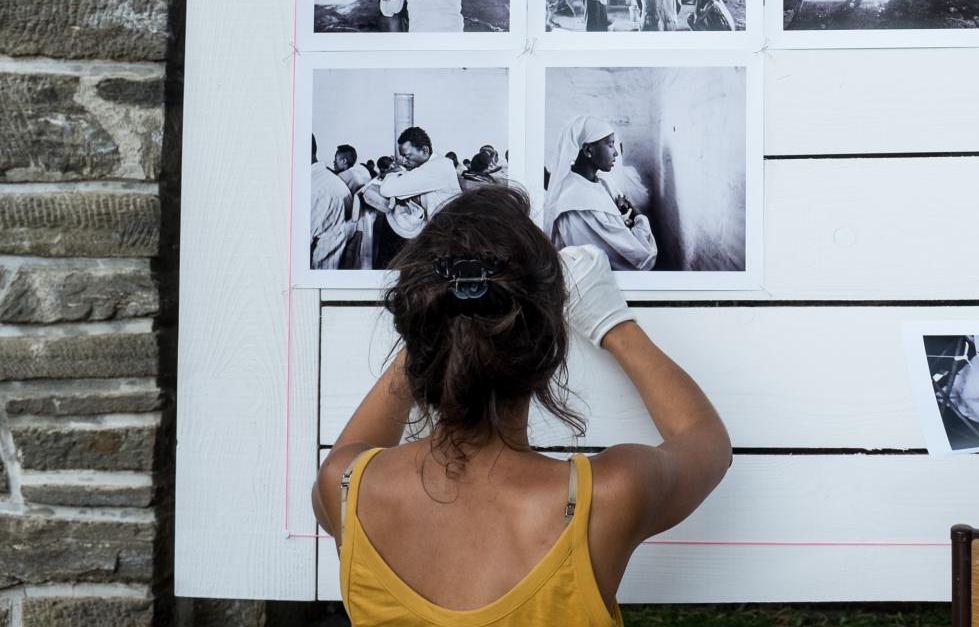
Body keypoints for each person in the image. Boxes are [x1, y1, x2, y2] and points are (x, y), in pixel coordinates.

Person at [311, 187, 730, 626]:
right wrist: (613, 325)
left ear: (419, 328)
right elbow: (707, 442)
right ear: (548, 346)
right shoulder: (608, 496)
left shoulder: (344, 487)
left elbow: (356, 444)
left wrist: (437, 331)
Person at [543, 116, 658, 272]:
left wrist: (623, 217)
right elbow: (641, 257)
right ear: (588, 150)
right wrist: (638, 218)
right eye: (610, 145)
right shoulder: (576, 200)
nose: (616, 153)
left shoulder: (597, 183)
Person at [359, 125, 462, 271]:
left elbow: (387, 189)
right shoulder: (435, 164)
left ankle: (382, 272)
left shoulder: (437, 167)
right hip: (435, 230)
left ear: (424, 150)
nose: (405, 161)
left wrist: (393, 172)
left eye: (407, 156)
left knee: (389, 231)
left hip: (444, 237)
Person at [310, 135, 358, 271]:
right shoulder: (343, 179)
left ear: (343, 161)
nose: (333, 163)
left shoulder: (318, 187)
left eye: (335, 160)